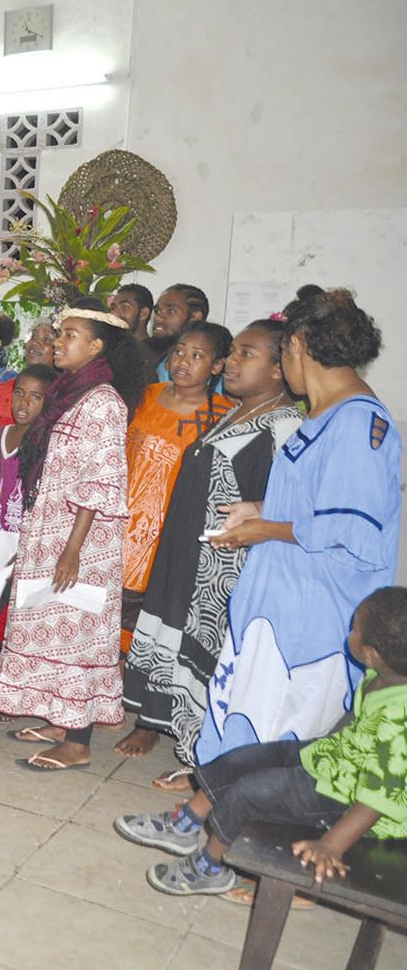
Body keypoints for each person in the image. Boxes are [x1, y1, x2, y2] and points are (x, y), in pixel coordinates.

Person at [197, 289, 400, 765]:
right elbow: (319, 501)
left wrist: (265, 529)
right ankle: (218, 806)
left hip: (315, 608)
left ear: (298, 345)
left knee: (282, 722)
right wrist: (259, 508)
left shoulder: (359, 423)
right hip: (282, 597)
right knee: (250, 712)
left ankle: (239, 818)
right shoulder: (322, 414)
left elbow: (349, 527)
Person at [115, 586, 407, 897]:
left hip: (350, 803)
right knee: (244, 759)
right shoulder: (380, 676)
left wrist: (332, 844)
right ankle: (185, 824)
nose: (350, 632)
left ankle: (210, 867)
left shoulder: (399, 717)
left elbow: (380, 796)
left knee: (250, 793)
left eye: (355, 628)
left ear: (371, 652)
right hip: (334, 763)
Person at [121, 320, 301, 789]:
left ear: (280, 369)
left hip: (224, 573)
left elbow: (290, 506)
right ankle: (189, 749)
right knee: (183, 658)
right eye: (235, 352)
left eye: (247, 353)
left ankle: (204, 766)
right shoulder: (240, 411)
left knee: (213, 667)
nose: (233, 363)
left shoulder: (285, 425)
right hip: (189, 561)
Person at [0, 302, 146, 770]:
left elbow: (101, 482)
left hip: (81, 539)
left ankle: (77, 740)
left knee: (76, 633)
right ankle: (61, 718)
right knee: (49, 625)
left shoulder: (103, 402)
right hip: (53, 530)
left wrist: (72, 550)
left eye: (71, 335)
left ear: (97, 346)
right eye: (59, 333)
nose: (58, 341)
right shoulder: (70, 393)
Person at [115, 322, 232, 673]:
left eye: (198, 356)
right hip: (122, 520)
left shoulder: (222, 416)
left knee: (151, 607)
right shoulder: (145, 395)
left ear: (217, 366)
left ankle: (136, 677)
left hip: (170, 530)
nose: (184, 361)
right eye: (180, 350)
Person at [0, 365, 55, 703]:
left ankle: (8, 684)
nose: (24, 403)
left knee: (11, 617)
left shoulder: (46, 443)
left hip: (21, 542)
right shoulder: (0, 434)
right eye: (20, 393)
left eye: (36, 397)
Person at [0, 316, 56, 426]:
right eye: (33, 337)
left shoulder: (63, 394)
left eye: (47, 340)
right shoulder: (4, 389)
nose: (35, 343)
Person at [149, 284, 209, 380]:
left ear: (194, 317)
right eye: (158, 311)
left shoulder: (209, 378)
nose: (158, 317)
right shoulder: (150, 364)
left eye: (171, 311)